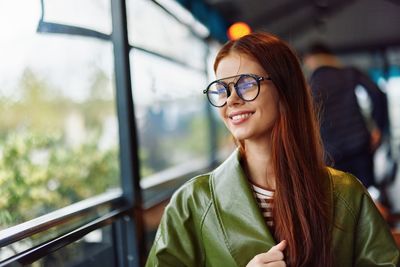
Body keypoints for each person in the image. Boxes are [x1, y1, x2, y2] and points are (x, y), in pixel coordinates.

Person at [146, 32, 399, 267]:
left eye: (246, 84)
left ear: (285, 90)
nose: (231, 99)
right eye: (222, 89)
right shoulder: (192, 202)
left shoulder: (347, 195)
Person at [303, 43, 389, 188]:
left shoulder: (310, 84)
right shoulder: (349, 73)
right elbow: (377, 94)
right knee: (368, 195)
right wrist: (378, 128)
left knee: (342, 201)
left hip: (331, 154)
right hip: (359, 146)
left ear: (311, 60)